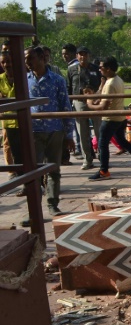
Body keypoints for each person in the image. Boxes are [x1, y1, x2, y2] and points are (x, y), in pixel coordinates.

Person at [25, 46, 76, 220]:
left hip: (55, 130)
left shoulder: (56, 80)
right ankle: (34, 210)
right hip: (34, 130)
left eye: (30, 58)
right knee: (34, 172)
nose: (27, 62)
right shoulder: (25, 80)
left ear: (41, 58)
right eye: (25, 59)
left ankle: (52, 204)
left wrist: (69, 134)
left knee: (53, 169)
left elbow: (65, 106)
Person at [85, 57, 131, 180]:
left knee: (102, 144)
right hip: (120, 117)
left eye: (101, 67)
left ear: (108, 69)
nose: (99, 69)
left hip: (111, 118)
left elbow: (104, 106)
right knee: (122, 142)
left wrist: (89, 103)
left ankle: (104, 171)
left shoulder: (110, 84)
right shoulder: (117, 79)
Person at [67, 46, 102, 170]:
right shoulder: (71, 70)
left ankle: (102, 157)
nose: (83, 57)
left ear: (89, 56)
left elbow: (101, 83)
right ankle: (87, 159)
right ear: (77, 56)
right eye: (80, 54)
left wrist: (97, 95)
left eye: (85, 54)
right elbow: (69, 87)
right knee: (83, 133)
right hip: (79, 102)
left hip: (95, 101)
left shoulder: (95, 69)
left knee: (99, 130)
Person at [0, 51, 21, 179]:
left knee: (28, 150)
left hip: (23, 119)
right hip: (8, 120)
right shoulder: (0, 78)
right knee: (12, 149)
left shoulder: (22, 76)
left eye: (8, 61)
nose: (6, 64)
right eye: (3, 62)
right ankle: (15, 173)